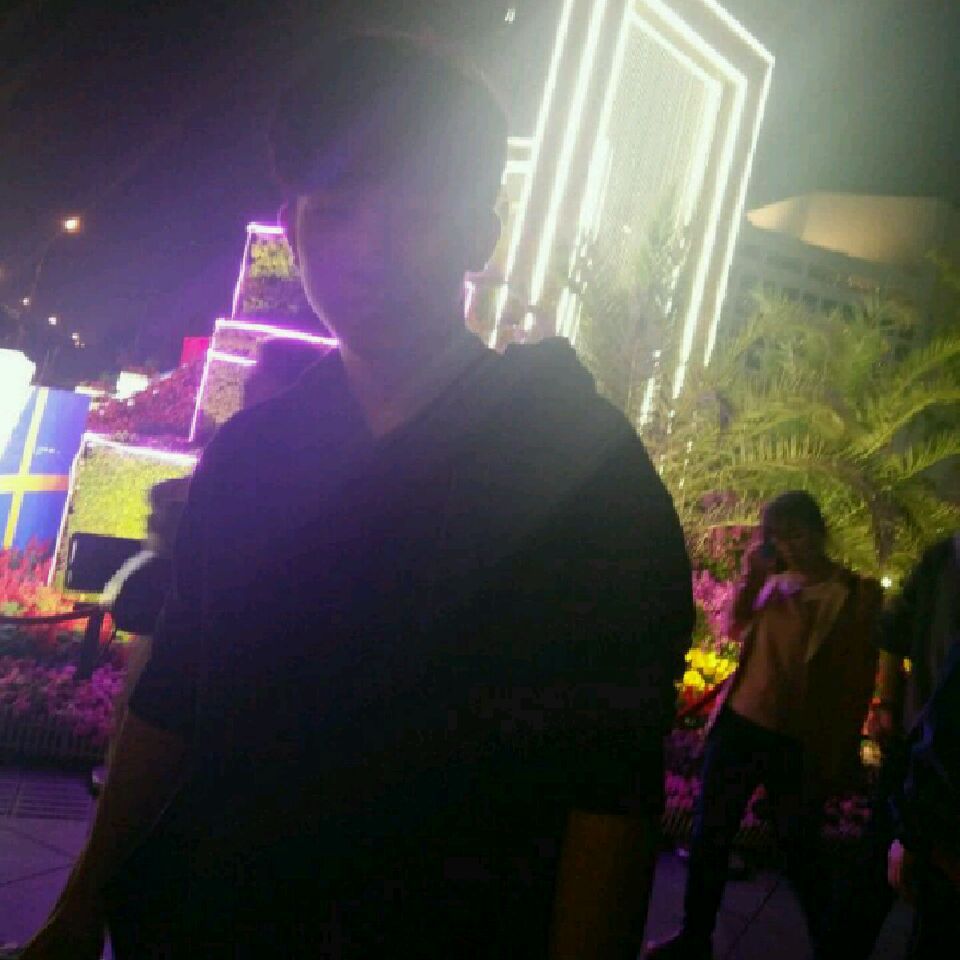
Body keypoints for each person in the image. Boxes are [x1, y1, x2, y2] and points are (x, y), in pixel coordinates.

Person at [25, 33, 693, 960]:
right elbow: (173, 697)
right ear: (293, 231)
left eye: (414, 213)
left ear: (482, 233)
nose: (369, 250)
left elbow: (609, 787)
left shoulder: (583, 471)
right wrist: (79, 909)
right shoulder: (252, 456)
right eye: (337, 212)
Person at [646, 491, 882, 960]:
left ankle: (832, 947)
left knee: (800, 847)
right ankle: (694, 937)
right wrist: (751, 580)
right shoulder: (772, 583)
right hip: (740, 723)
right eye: (774, 537)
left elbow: (855, 678)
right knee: (711, 834)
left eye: (796, 535)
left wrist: (840, 748)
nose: (787, 547)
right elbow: (734, 629)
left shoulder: (852, 595)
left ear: (820, 533)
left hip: (795, 738)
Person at [835, 532, 960, 959]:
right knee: (875, 883)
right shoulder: (942, 558)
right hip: (920, 752)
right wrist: (887, 703)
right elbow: (893, 628)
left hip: (931, 759)